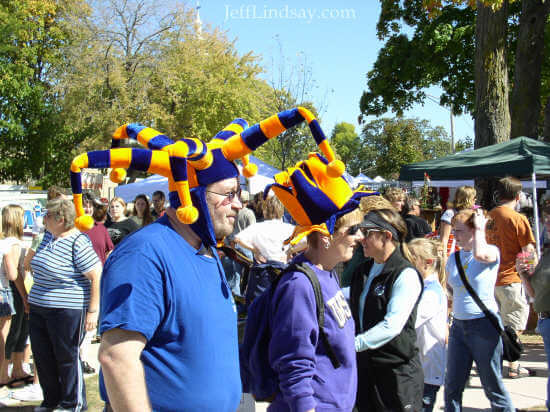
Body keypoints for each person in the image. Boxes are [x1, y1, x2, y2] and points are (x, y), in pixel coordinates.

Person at [86, 109, 323, 411]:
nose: (238, 204)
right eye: (227, 194)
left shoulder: (206, 251)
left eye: (238, 193)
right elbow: (117, 357)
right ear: (192, 196)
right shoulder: (144, 253)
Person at [262, 147, 373, 411]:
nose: (361, 237)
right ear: (325, 235)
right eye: (353, 230)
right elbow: (294, 364)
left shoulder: (328, 273)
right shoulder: (299, 286)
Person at [29, 198, 101, 411]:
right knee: (43, 356)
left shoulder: (78, 241)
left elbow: (96, 275)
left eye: (47, 216)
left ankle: (72, 403)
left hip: (67, 309)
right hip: (39, 306)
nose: (44, 219)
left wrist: (92, 312)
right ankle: (51, 400)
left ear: (60, 219)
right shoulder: (47, 237)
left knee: (66, 357)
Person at [350, 208, 424, 411]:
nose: (360, 238)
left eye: (366, 233)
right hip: (365, 370)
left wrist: (352, 345)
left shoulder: (404, 275)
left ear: (386, 236)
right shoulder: (363, 271)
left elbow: (392, 326)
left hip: (396, 374)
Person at [445, 208, 514, 411]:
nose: (454, 235)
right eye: (454, 231)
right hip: (459, 325)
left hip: (483, 325)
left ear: (474, 231)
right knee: (452, 385)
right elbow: (450, 288)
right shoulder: (454, 258)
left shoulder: (491, 251)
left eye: (459, 231)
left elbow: (480, 253)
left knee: (492, 385)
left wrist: (481, 229)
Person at [486, 176, 537, 379]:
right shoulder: (518, 219)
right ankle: (514, 365)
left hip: (490, 280)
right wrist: (532, 278)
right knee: (513, 326)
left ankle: (495, 363)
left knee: (496, 326)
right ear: (518, 196)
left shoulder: (489, 216)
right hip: (512, 279)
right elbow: (528, 252)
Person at [408, 237, 447, 412]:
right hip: (418, 367)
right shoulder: (421, 286)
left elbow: (410, 322)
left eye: (412, 258)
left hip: (427, 369)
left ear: (428, 263)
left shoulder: (431, 293)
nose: (407, 262)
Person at [517, 204, 550, 411]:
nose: (546, 224)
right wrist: (524, 275)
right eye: (546, 219)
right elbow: (536, 294)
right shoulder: (546, 253)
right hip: (545, 319)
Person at [0, 205, 27, 390]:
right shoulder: (13, 243)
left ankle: (17, 368)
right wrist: (25, 296)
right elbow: (13, 273)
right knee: (10, 333)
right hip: (11, 291)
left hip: (9, 290)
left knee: (18, 331)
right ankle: (4, 373)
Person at [234, 196, 294, 264]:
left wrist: (255, 250)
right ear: (282, 211)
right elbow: (306, 242)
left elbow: (237, 239)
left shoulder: (256, 227)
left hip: (263, 267)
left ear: (265, 211)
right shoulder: (289, 228)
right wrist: (289, 252)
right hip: (283, 267)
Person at [440, 185, 476, 257]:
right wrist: (444, 259)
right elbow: (444, 240)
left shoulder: (473, 214)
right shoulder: (450, 213)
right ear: (468, 199)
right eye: (474, 197)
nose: (476, 199)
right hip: (452, 253)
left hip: (469, 254)